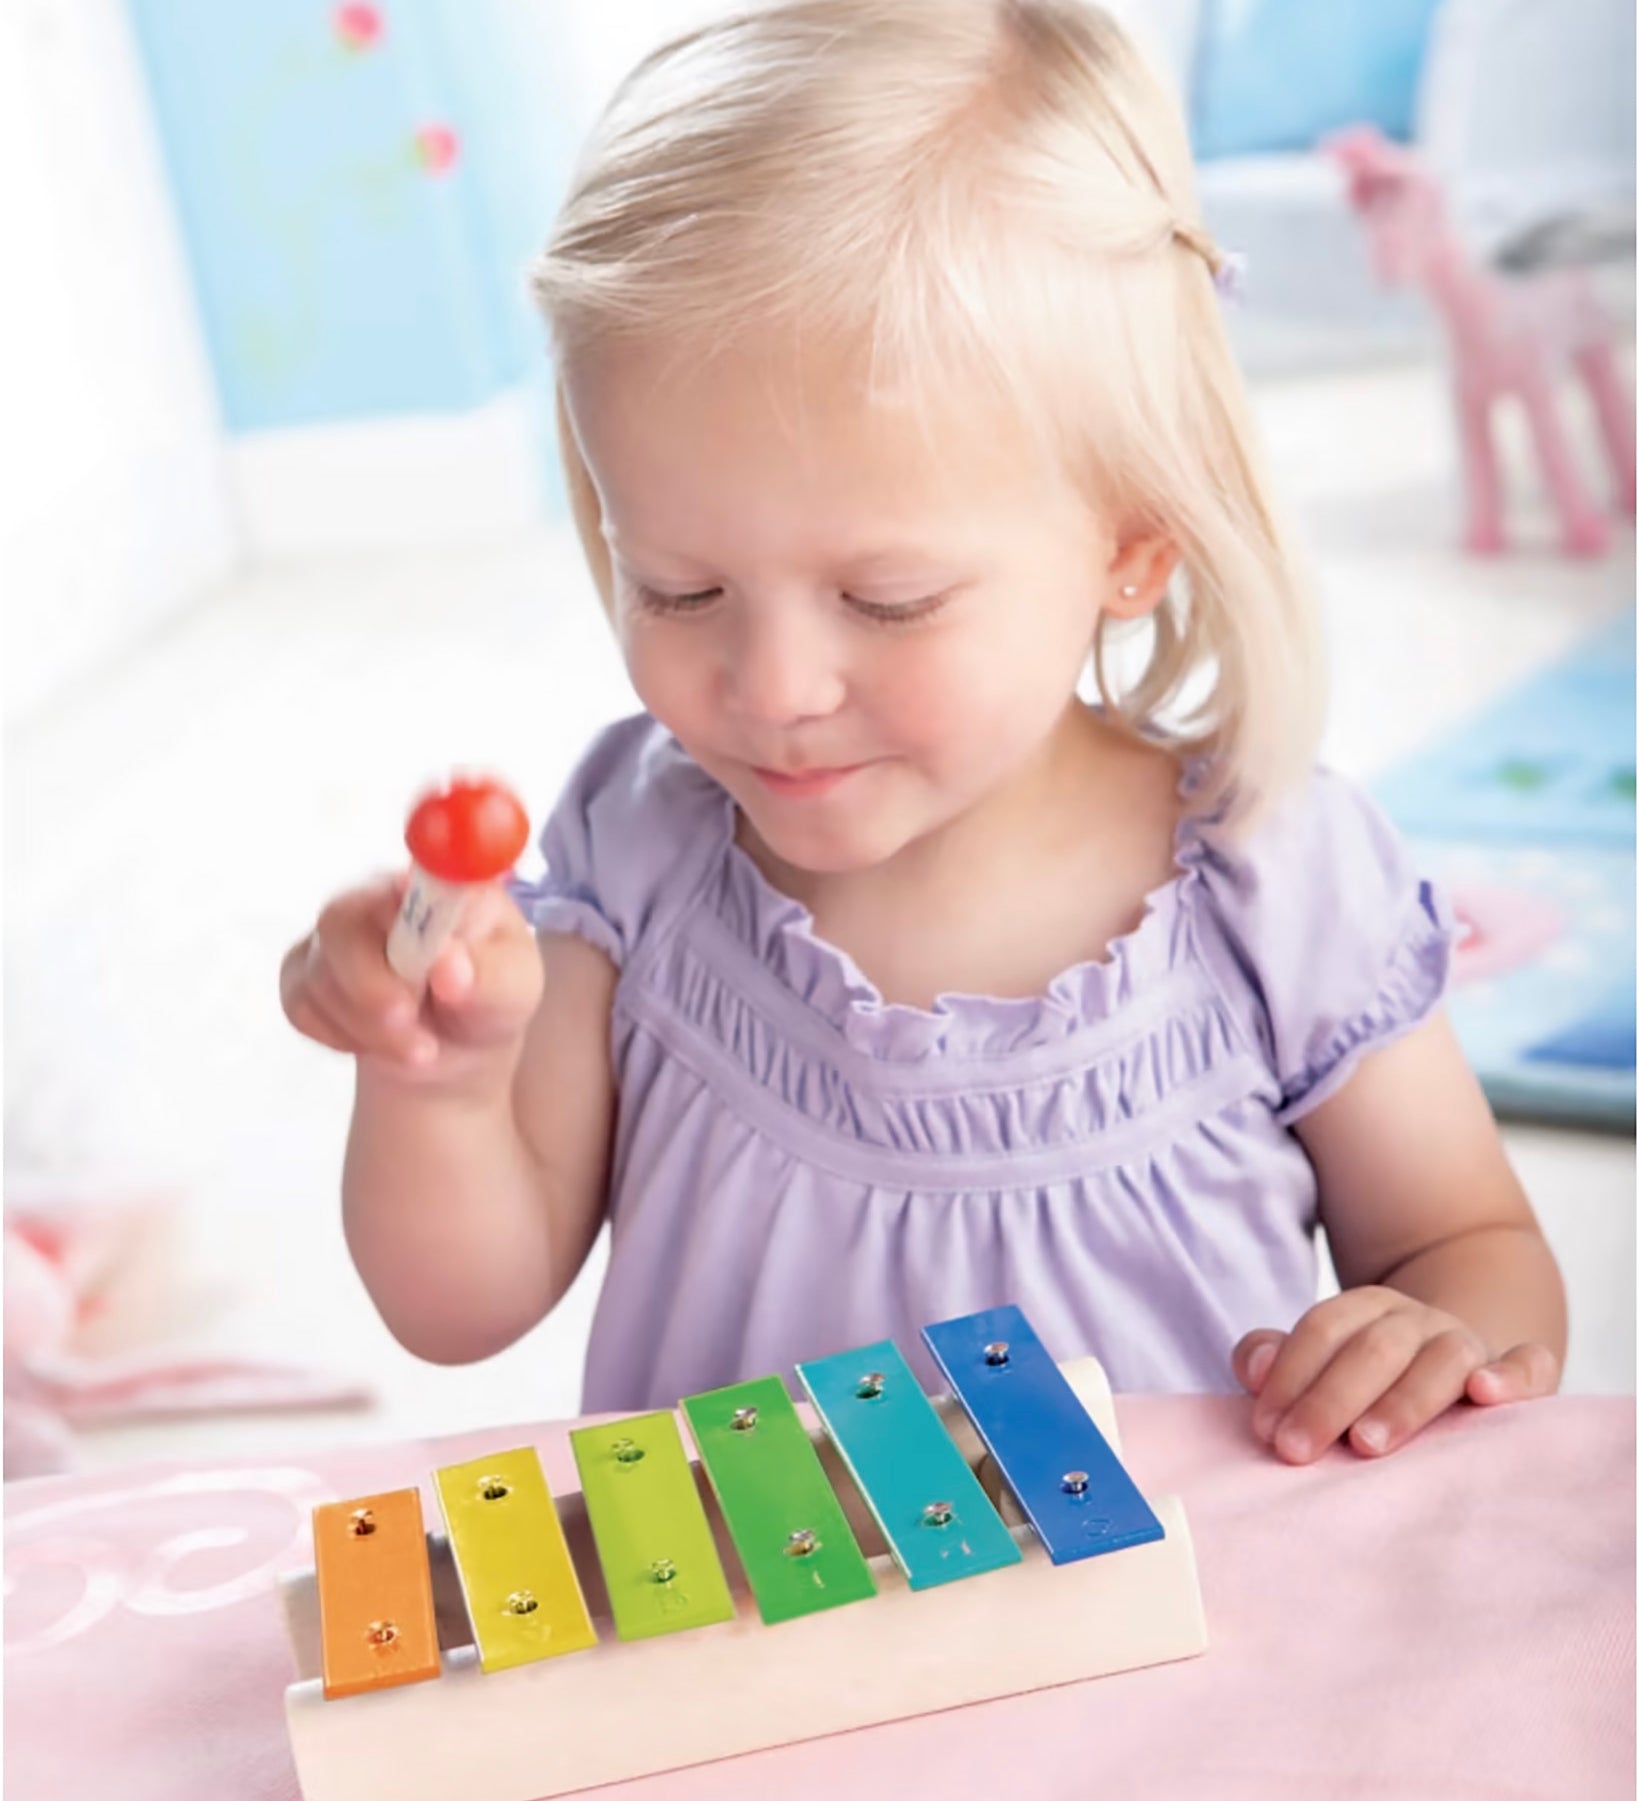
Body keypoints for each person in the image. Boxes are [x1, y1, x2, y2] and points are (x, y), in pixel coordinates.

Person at [280, 0, 1565, 1464]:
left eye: (884, 599)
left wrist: (1433, 1329)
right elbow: (459, 1306)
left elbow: (1466, 1243)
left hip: (1173, 1657)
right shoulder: (634, 848)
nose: (770, 686)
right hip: (755, 1662)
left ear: (1130, 546)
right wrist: (435, 1083)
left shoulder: (1276, 878)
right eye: (679, 585)